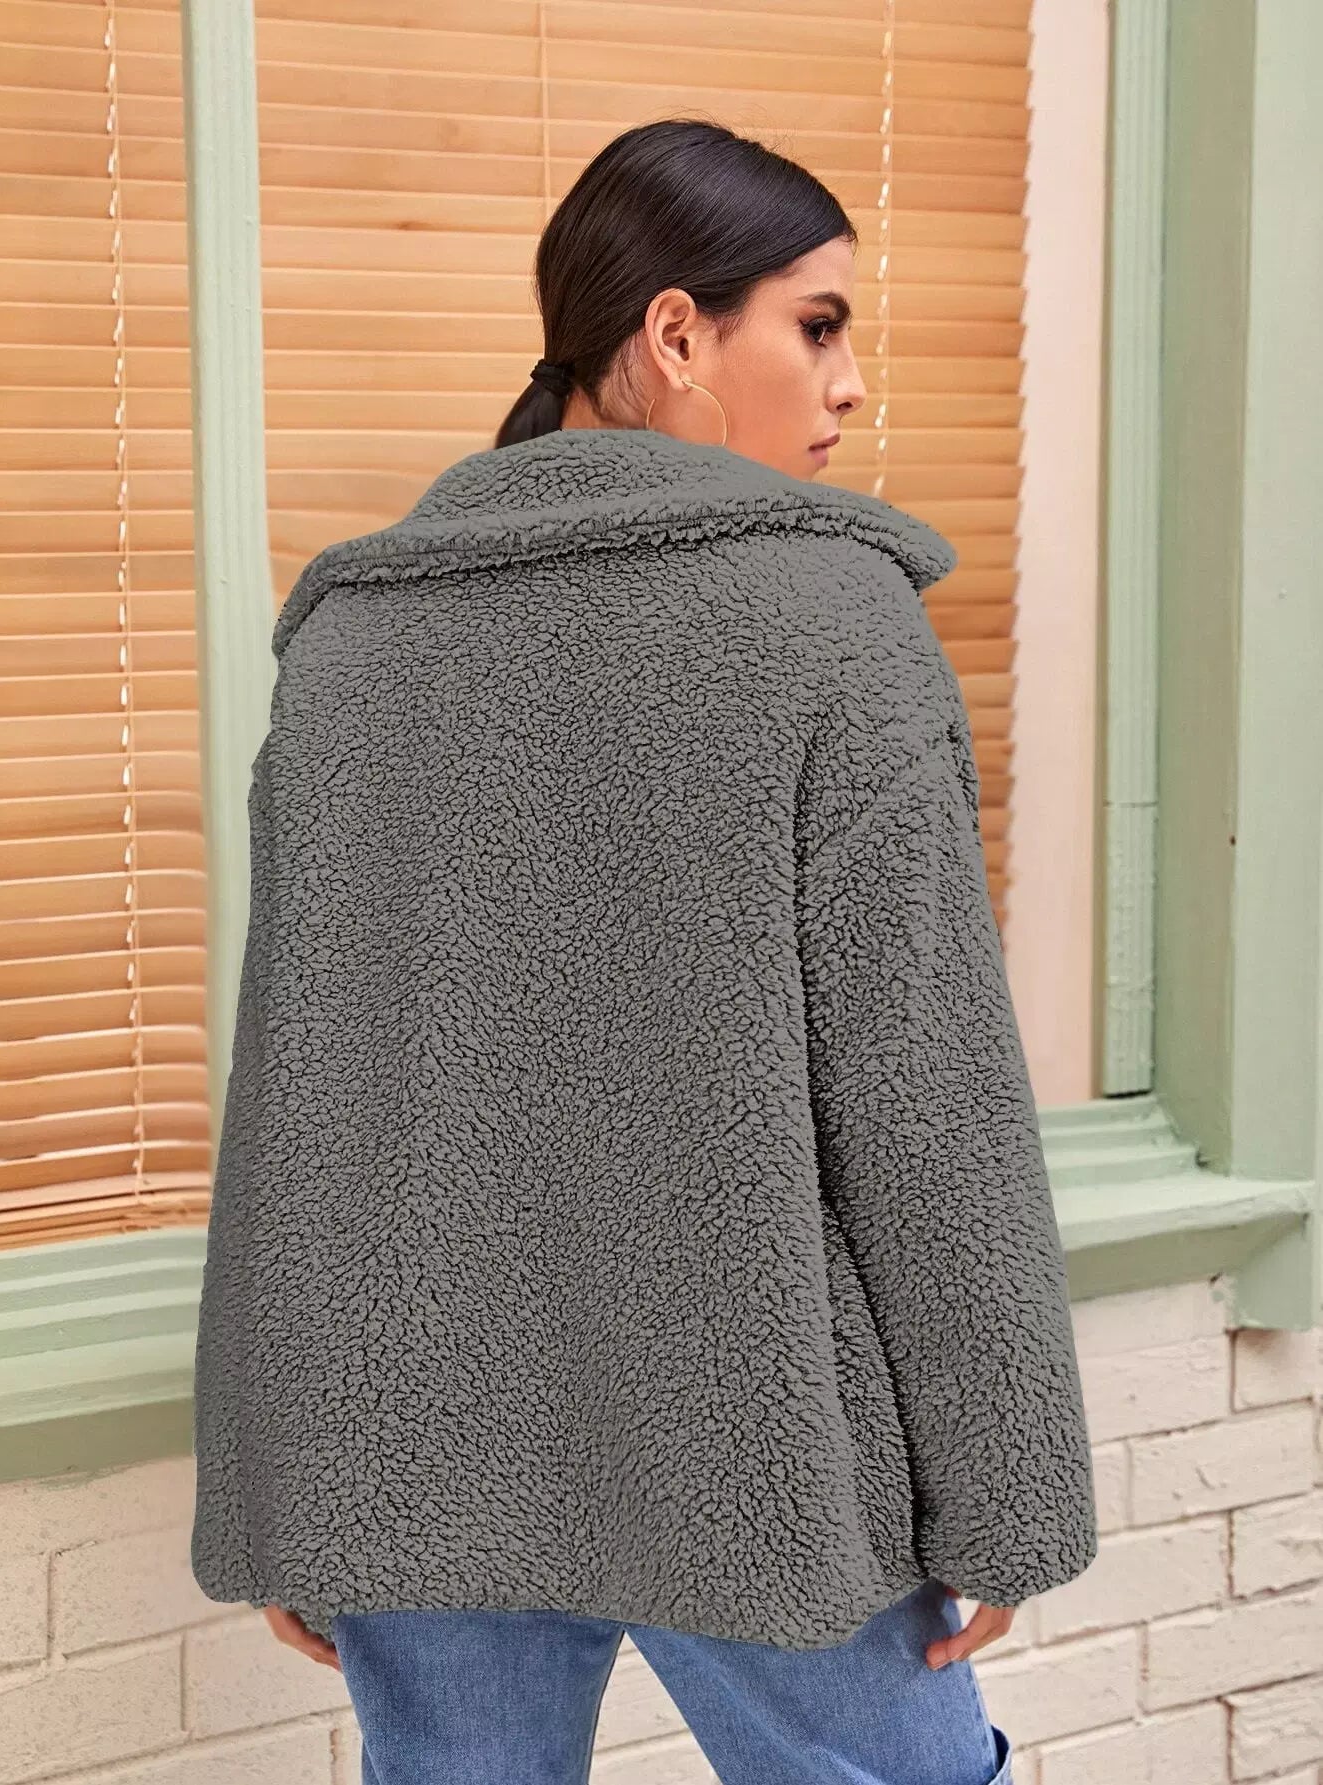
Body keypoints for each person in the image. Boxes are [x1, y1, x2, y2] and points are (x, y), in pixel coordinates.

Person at [190, 118, 1097, 1784]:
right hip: (755, 1441)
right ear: (678, 334)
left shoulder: (353, 636)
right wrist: (1007, 1482)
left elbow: (302, 1089)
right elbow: (928, 1099)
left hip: (414, 1444)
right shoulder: (831, 621)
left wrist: (287, 1476)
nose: (848, 384)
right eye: (816, 325)